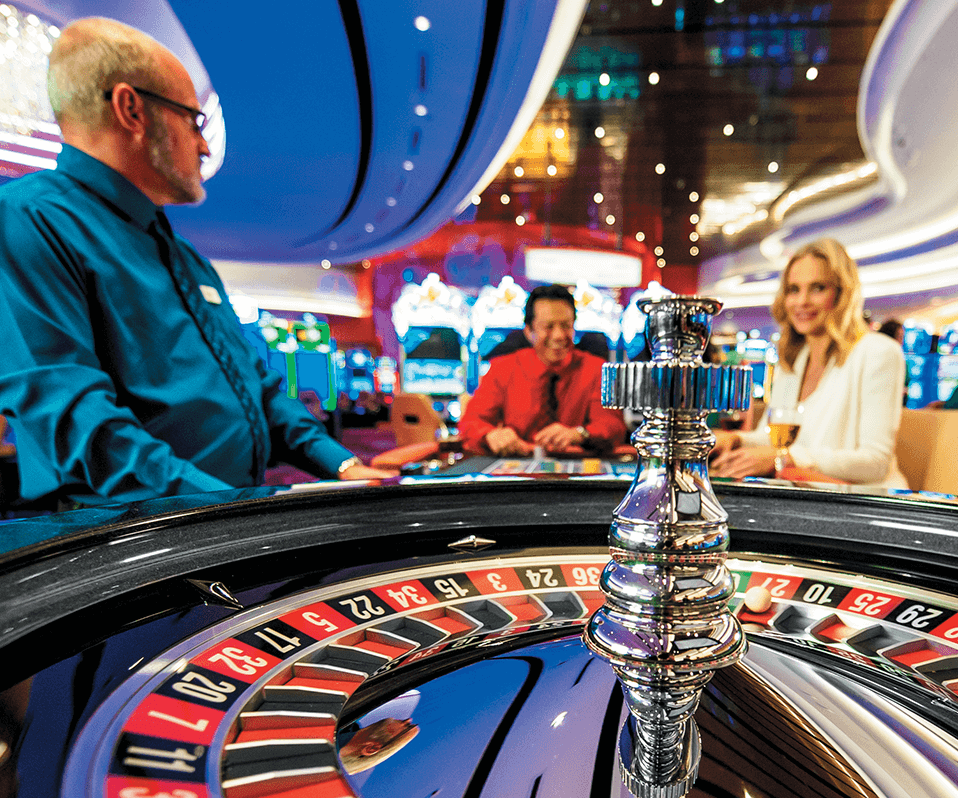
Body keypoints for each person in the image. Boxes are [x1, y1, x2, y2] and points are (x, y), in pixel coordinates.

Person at [0, 18, 392, 507]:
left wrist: (343, 463)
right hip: (131, 541)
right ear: (131, 110)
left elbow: (259, 385)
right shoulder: (27, 219)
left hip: (221, 521)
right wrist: (225, 510)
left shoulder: (185, 256)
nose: (205, 146)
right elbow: (79, 424)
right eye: (193, 120)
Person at [711, 238, 908, 489]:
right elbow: (772, 439)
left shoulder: (879, 352)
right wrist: (735, 439)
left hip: (862, 506)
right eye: (794, 289)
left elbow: (875, 462)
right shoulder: (794, 359)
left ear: (842, 294)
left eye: (817, 288)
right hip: (801, 497)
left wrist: (784, 458)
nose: (802, 301)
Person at [458, 284, 626, 455]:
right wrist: (490, 435)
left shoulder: (596, 369)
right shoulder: (503, 368)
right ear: (529, 331)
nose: (559, 335)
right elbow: (470, 424)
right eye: (548, 326)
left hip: (578, 471)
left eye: (566, 325)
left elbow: (613, 426)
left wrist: (579, 433)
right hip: (516, 471)